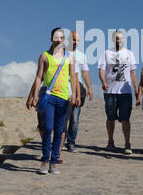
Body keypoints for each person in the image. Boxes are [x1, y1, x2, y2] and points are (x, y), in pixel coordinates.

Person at [26, 28, 76, 175]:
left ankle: (54, 161)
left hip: (63, 98)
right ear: (51, 39)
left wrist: (73, 93)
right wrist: (35, 95)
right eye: (56, 37)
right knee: (47, 128)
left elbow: (73, 76)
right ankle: (45, 161)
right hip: (48, 97)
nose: (59, 40)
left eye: (61, 37)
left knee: (59, 130)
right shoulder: (44, 56)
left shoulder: (69, 57)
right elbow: (38, 77)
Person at [98, 30, 138, 154]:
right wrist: (103, 82)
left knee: (125, 118)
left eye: (120, 38)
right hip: (110, 91)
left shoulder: (129, 53)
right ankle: (110, 142)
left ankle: (127, 143)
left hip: (125, 92)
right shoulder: (106, 53)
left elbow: (133, 72)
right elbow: (101, 70)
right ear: (112, 40)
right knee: (110, 117)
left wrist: (136, 89)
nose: (118, 40)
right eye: (116, 38)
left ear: (123, 40)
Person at [60, 31, 93, 153]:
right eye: (73, 39)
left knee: (74, 118)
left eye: (77, 40)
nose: (75, 42)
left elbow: (84, 72)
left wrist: (89, 87)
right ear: (69, 39)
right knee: (64, 117)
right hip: (64, 87)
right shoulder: (61, 53)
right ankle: (61, 141)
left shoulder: (82, 55)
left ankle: (71, 142)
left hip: (78, 87)